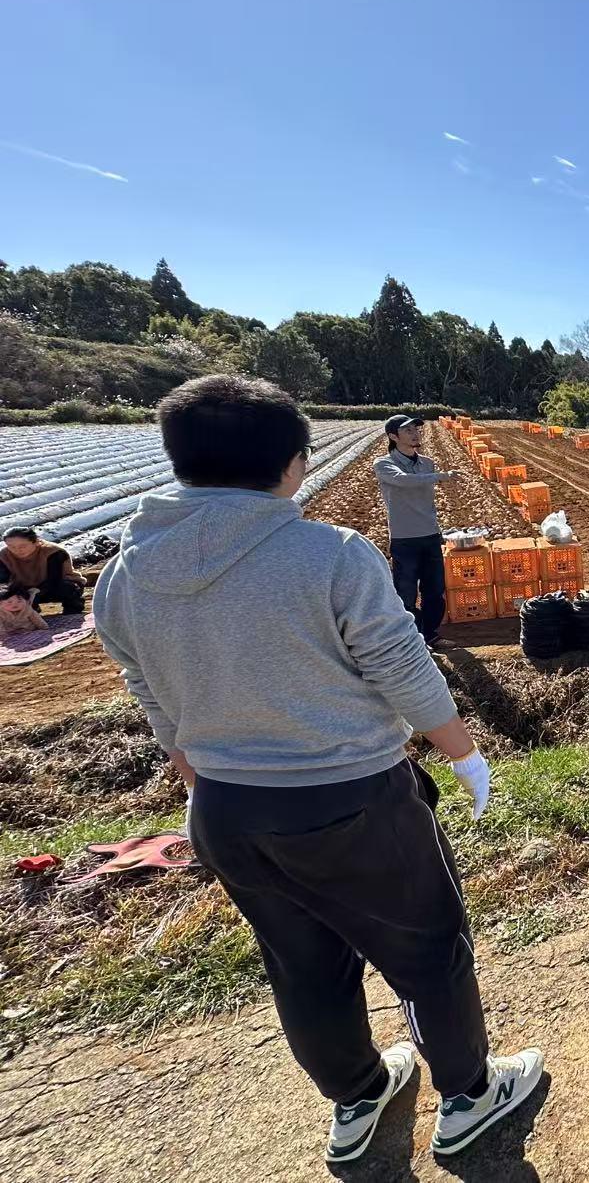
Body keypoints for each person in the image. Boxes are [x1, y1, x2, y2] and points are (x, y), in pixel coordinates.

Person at [92, 375, 541, 1165]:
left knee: (300, 962)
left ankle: (358, 1098)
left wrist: (197, 775)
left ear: (180, 462)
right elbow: (402, 665)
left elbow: (146, 687)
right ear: (294, 463)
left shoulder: (124, 575)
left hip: (227, 811)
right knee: (427, 947)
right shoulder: (327, 554)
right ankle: (470, 1094)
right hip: (351, 798)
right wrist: (463, 754)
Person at [373, 414, 460, 648]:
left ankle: (431, 634)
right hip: (404, 538)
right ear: (393, 436)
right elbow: (404, 481)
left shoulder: (427, 463)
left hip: (430, 535)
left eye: (416, 429)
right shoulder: (384, 464)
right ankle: (411, 640)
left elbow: (426, 495)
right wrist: (442, 476)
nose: (415, 434)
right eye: (408, 430)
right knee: (406, 592)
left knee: (434, 590)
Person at [0, 526, 86, 614]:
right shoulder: (3, 556)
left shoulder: (53, 552)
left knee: (67, 588)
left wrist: (34, 594)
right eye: (11, 546)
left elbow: (54, 579)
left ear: (36, 542)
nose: (17, 550)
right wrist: (19, 595)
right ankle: (29, 611)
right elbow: (3, 581)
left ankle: (73, 610)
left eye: (23, 546)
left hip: (55, 585)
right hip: (24, 588)